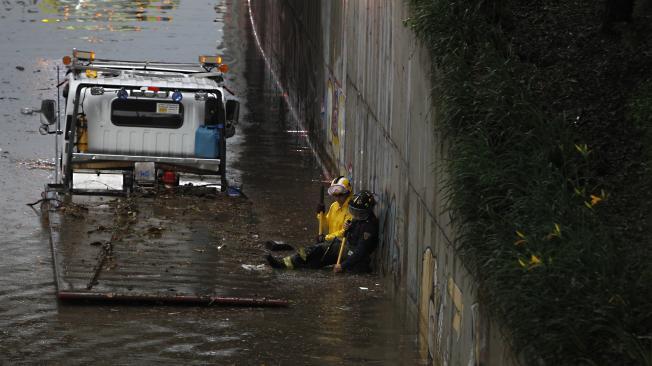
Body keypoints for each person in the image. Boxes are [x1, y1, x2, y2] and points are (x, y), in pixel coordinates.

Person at [266, 190, 378, 273]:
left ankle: (292, 264)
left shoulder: (369, 227)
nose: (356, 216)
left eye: (359, 213)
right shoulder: (357, 218)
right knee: (315, 251)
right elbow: (347, 234)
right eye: (354, 212)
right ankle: (286, 264)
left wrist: (343, 266)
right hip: (345, 246)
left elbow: (360, 251)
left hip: (353, 253)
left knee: (354, 265)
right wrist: (348, 228)